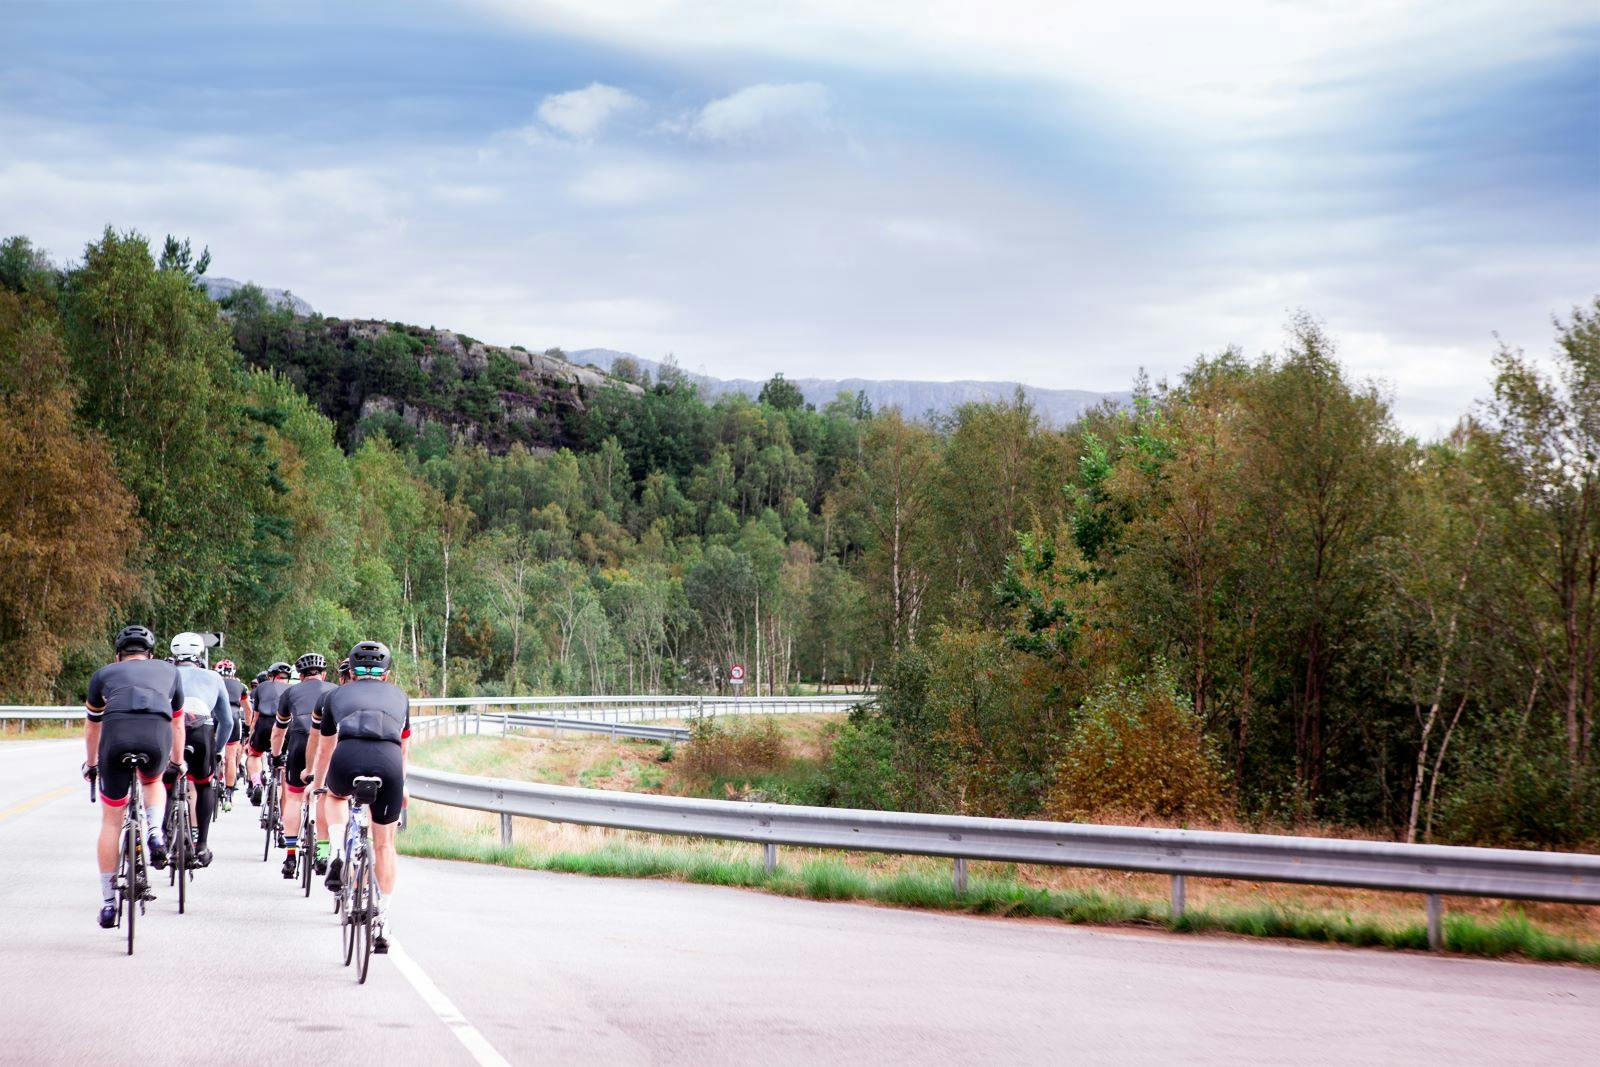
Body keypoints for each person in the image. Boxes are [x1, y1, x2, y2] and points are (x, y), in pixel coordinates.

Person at [82, 625, 185, 929]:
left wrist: (91, 764)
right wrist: (178, 763)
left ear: (118, 655)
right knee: (152, 781)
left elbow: (92, 727)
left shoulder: (104, 674)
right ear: (150, 655)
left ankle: (108, 904)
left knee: (112, 819)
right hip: (156, 735)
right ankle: (155, 831)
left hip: (115, 738)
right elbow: (178, 725)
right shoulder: (170, 672)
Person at [312, 641, 409, 953]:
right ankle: (383, 921)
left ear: (350, 671)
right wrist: (403, 786)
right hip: (390, 763)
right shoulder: (400, 696)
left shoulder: (335, 695)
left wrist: (318, 784)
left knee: (335, 796)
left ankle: (338, 850)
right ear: (387, 674)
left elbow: (326, 749)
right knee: (385, 844)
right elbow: (403, 748)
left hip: (348, 756)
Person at [269, 653, 336, 879]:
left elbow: (279, 731)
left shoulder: (289, 692)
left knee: (295, 796)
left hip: (298, 740)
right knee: (323, 795)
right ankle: (322, 853)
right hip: (326, 741)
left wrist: (276, 755)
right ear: (324, 674)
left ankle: (290, 856)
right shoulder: (334, 690)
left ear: (299, 675)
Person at [167, 633, 229, 867]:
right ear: (199, 654)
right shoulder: (213, 676)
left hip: (172, 728)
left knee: (165, 782)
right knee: (203, 785)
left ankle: (162, 836)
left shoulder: (166, 673)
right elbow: (228, 722)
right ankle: (201, 843)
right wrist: (218, 750)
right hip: (202, 728)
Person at [245, 662, 292, 805]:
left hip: (264, 724)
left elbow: (255, 717)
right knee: (283, 763)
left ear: (270, 677)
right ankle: (282, 800)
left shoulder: (261, 688)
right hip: (285, 726)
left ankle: (257, 782)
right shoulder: (292, 689)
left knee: (254, 755)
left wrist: (250, 737)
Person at [215, 659, 249, 806]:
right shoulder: (241, 686)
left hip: (215, 716)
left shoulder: (213, 681)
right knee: (230, 757)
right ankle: (229, 793)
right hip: (233, 717)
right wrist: (247, 727)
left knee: (211, 751)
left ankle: (210, 780)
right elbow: (248, 709)